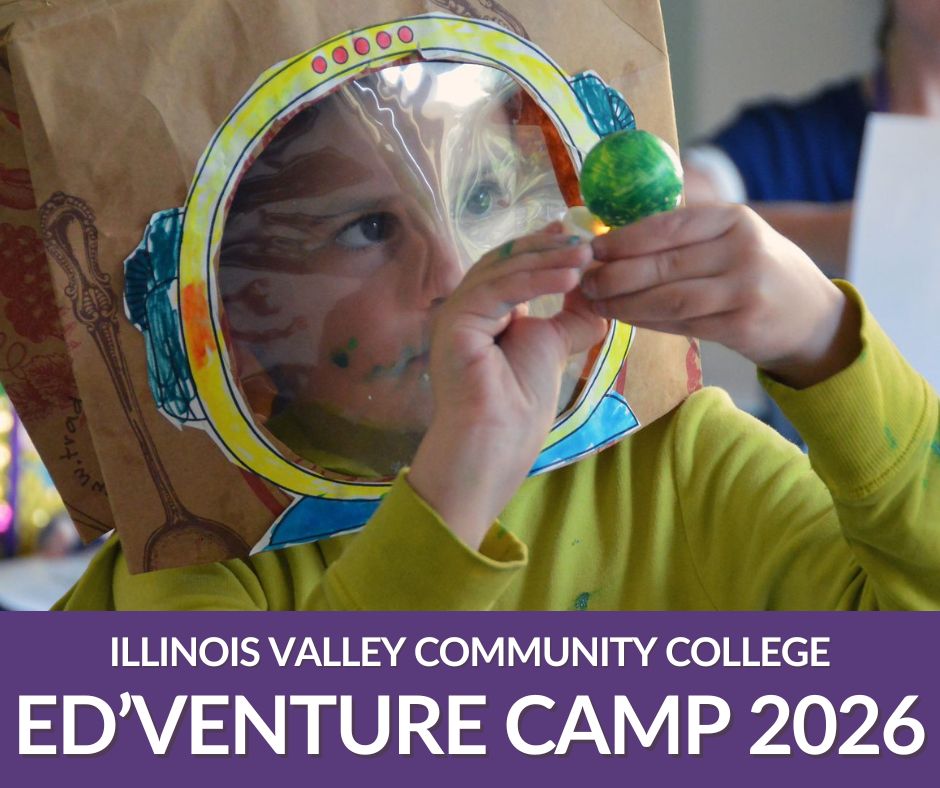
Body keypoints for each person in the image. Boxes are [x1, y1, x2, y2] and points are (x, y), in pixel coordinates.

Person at [53, 61, 940, 611]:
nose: (456, 272)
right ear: (233, 318)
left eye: (481, 198)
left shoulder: (679, 461)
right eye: (366, 228)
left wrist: (827, 345)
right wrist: (457, 486)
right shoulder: (193, 554)